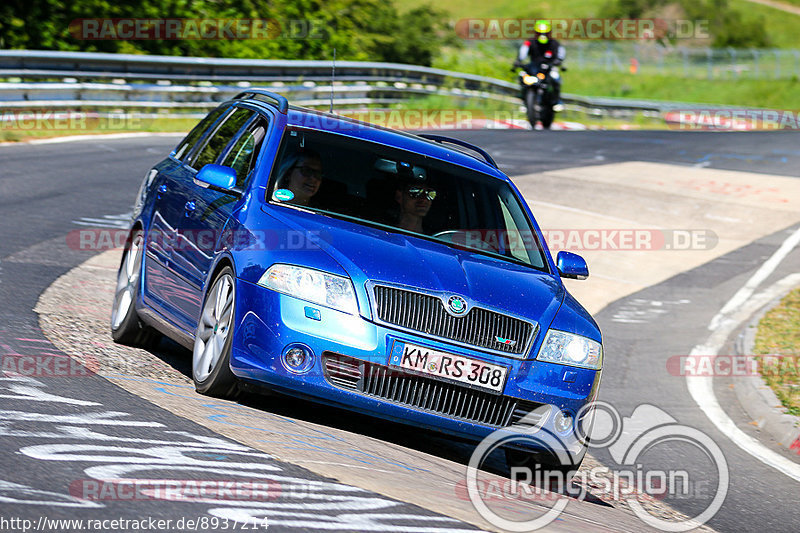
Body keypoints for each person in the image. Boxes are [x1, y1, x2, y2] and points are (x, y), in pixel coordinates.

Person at [514, 20, 565, 111]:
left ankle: (557, 101)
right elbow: (523, 52)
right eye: (540, 33)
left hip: (549, 67)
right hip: (534, 67)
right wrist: (518, 61)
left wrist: (558, 61)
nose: (543, 35)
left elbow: (561, 53)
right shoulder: (530, 42)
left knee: (555, 78)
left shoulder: (554, 43)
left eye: (545, 33)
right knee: (522, 76)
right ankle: (524, 99)